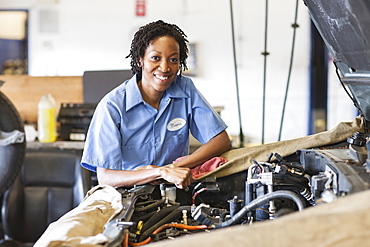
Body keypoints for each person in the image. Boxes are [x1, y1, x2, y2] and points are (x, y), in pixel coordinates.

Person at [81, 20, 231, 189]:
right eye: (155, 58)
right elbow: (106, 178)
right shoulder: (112, 106)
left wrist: (174, 168)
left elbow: (221, 140)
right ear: (140, 60)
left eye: (173, 59)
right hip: (127, 198)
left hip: (175, 191)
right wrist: (159, 172)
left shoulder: (185, 89)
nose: (165, 67)